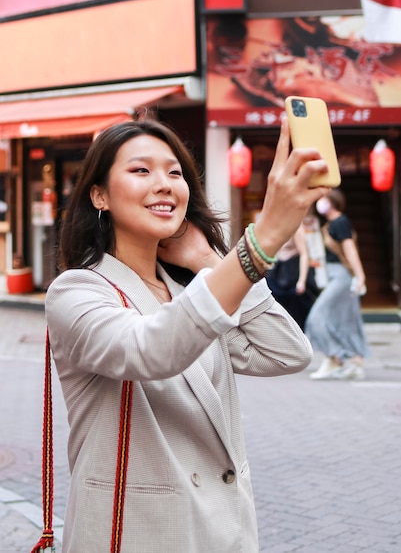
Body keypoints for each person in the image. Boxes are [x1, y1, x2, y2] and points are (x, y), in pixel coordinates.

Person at [45, 117, 330, 553]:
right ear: (99, 194)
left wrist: (205, 259)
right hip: (138, 534)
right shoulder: (77, 291)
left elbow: (287, 352)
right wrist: (263, 238)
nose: (164, 184)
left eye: (175, 172)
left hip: (221, 532)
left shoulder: (191, 289)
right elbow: (149, 349)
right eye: (141, 170)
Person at [306, 189, 369, 380]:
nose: (320, 202)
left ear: (333, 201)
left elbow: (350, 250)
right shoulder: (329, 225)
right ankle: (352, 362)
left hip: (341, 275)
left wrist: (360, 275)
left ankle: (335, 357)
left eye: (323, 198)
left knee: (317, 316)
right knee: (346, 318)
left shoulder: (341, 222)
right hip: (334, 275)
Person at [265, 223, 318, 329]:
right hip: (279, 272)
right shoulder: (276, 226)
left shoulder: (296, 226)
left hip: (293, 273)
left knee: (297, 314)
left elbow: (304, 254)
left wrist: (302, 281)